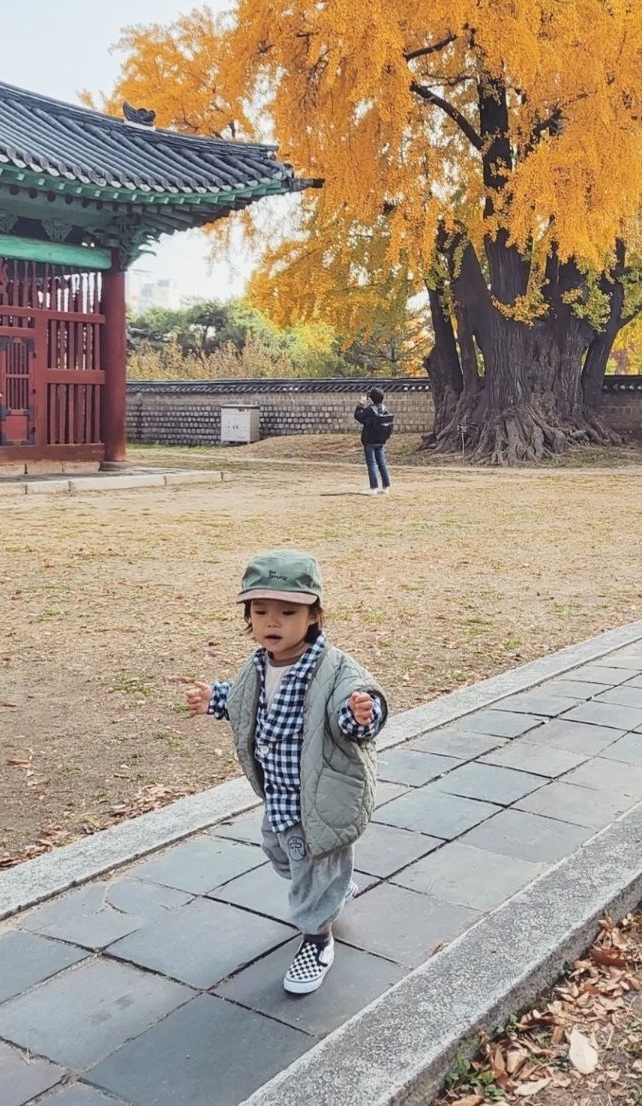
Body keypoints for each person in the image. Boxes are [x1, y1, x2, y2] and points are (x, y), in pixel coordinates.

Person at [185, 549, 387, 994]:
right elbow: (241, 700)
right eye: (261, 612)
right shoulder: (257, 666)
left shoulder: (334, 669)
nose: (272, 622)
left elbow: (355, 713)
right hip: (279, 793)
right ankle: (336, 883)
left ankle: (317, 940)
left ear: (314, 614)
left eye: (287, 612)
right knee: (281, 853)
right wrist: (212, 700)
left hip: (322, 792)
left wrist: (361, 713)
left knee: (310, 869)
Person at [353, 386, 393, 496]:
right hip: (380, 439)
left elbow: (358, 416)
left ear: (371, 398)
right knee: (382, 463)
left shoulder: (370, 409)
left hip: (369, 440)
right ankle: (385, 486)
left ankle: (373, 487)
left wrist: (361, 404)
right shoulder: (384, 408)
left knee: (371, 463)